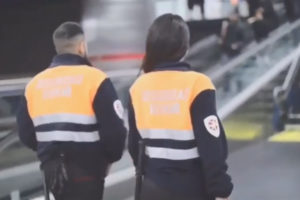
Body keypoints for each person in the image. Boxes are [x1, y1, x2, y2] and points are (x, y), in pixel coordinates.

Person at [128, 14, 233, 200]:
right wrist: (221, 190)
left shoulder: (138, 87)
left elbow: (134, 147)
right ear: (184, 46)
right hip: (192, 188)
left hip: (152, 188)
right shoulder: (198, 84)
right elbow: (212, 148)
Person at [17, 22, 127, 200]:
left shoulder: (34, 84)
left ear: (57, 48)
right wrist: (108, 159)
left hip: (52, 173)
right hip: (88, 170)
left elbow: (25, 133)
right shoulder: (95, 79)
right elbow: (115, 132)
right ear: (82, 46)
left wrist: (48, 153)